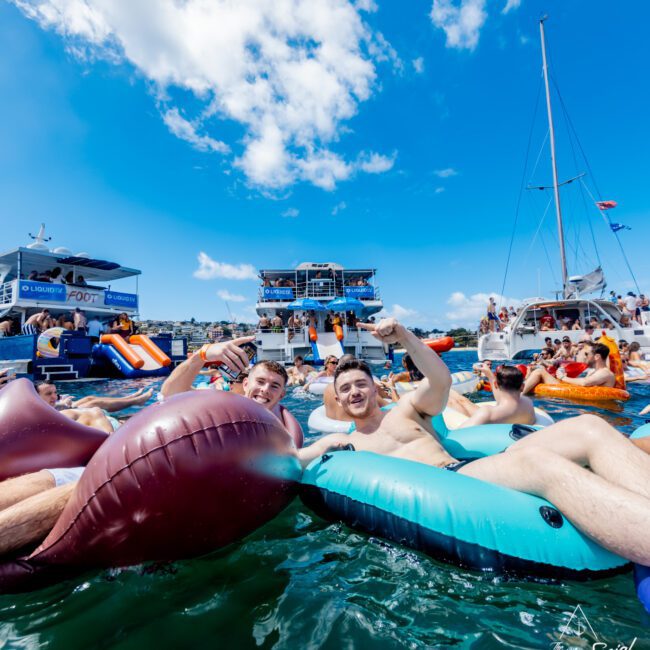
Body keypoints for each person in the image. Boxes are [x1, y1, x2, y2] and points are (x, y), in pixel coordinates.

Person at [295, 318, 650, 567]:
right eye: (345, 389)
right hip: (454, 484)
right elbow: (293, 459)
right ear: (338, 402)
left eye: (361, 384)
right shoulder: (343, 442)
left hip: (463, 470)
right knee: (539, 463)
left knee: (589, 425)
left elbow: (439, 378)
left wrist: (404, 335)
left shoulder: (405, 409)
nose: (354, 391)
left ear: (375, 388)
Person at [160, 337, 300, 434]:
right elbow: (169, 394)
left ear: (282, 394)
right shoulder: (223, 404)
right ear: (245, 384)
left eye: (274, 386)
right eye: (260, 381)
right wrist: (203, 354)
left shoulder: (283, 424)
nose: (265, 389)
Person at [446, 364, 535, 427]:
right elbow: (502, 400)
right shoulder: (528, 402)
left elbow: (459, 434)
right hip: (498, 422)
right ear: (522, 387)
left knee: (453, 402)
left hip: (485, 424)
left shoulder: (488, 412)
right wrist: (488, 373)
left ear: (496, 385)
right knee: (463, 401)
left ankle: (442, 387)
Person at [522, 342, 615, 394]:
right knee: (540, 372)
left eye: (587, 354)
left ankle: (520, 395)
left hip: (587, 403)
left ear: (597, 357)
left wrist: (563, 377)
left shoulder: (605, 373)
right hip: (578, 395)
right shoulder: (594, 371)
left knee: (540, 371)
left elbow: (585, 383)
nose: (585, 356)